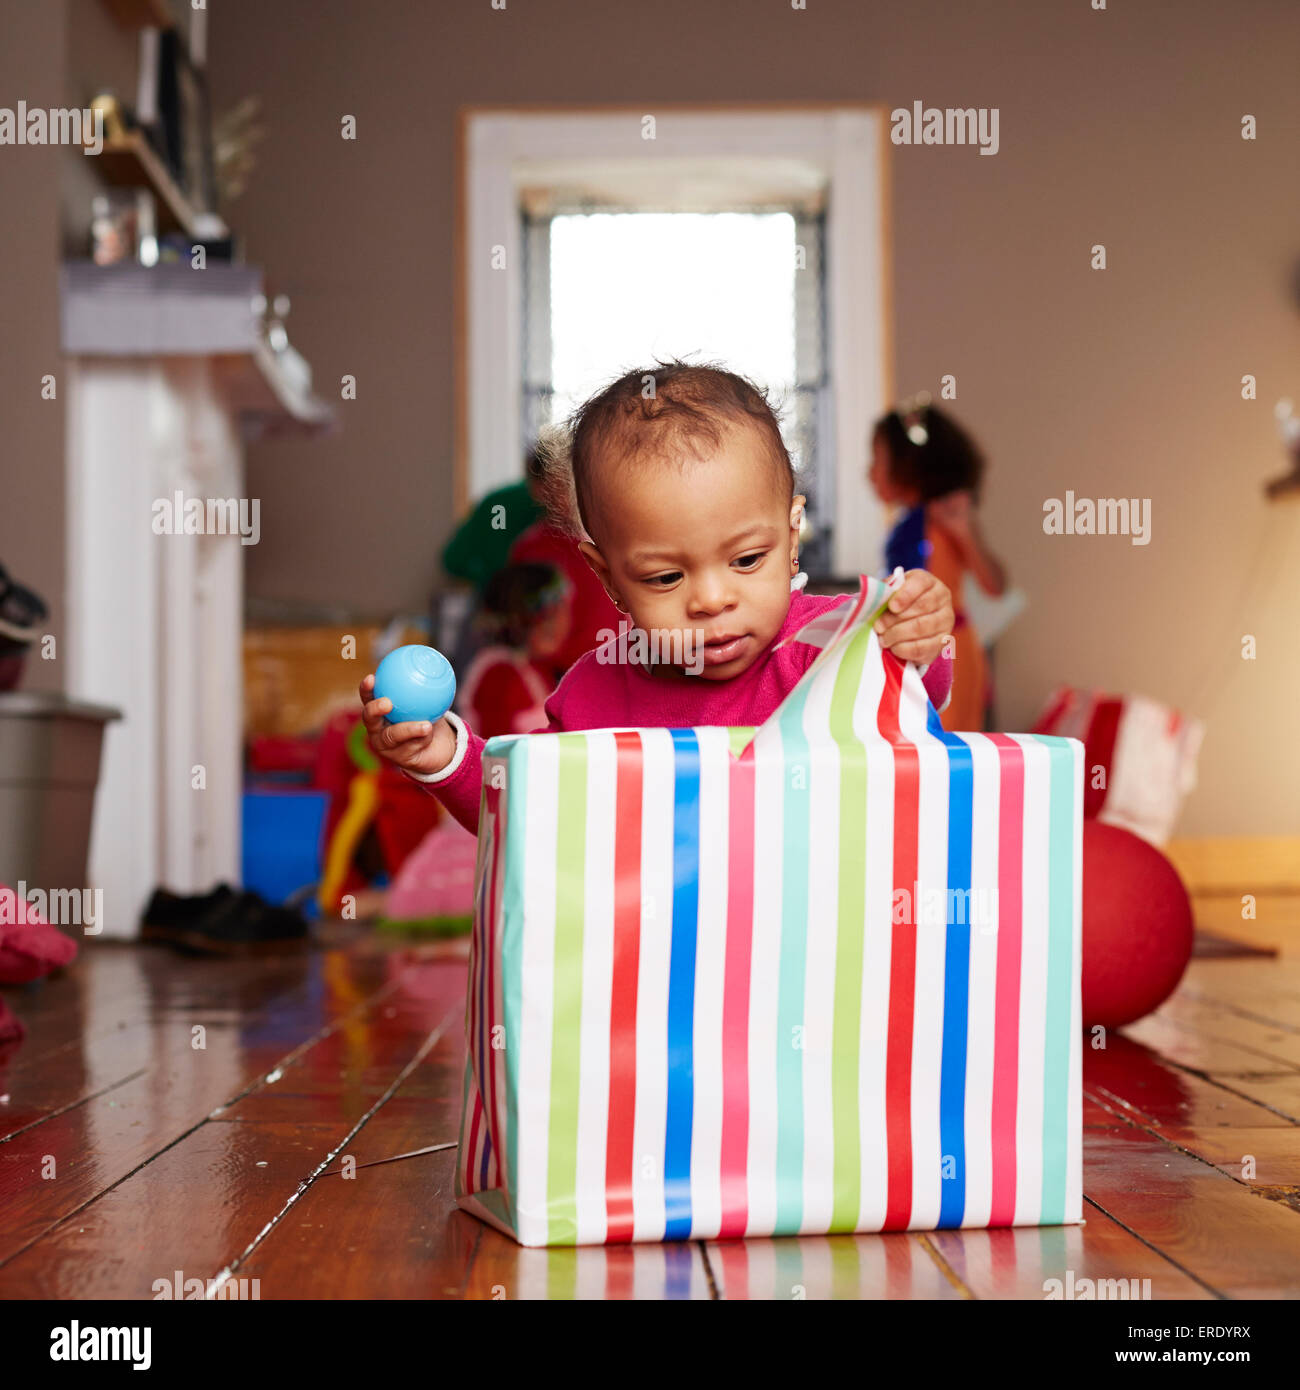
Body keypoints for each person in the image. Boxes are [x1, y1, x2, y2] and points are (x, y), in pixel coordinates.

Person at [360, 361, 956, 836]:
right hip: (657, 967)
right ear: (607, 577)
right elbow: (524, 813)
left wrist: (918, 635)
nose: (713, 599)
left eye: (748, 560)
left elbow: (909, 701)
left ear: (792, 534)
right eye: (666, 578)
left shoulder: (831, 645)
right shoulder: (595, 691)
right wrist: (440, 755)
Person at [868, 394, 1007, 732]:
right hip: (921, 645)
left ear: (909, 464)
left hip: (949, 652)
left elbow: (995, 585)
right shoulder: (905, 524)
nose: (870, 473)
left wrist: (963, 530)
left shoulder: (944, 515)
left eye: (877, 461)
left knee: (946, 746)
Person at [457, 562, 571, 737]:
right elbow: (499, 752)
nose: (561, 623)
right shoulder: (499, 673)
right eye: (546, 617)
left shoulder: (536, 669)